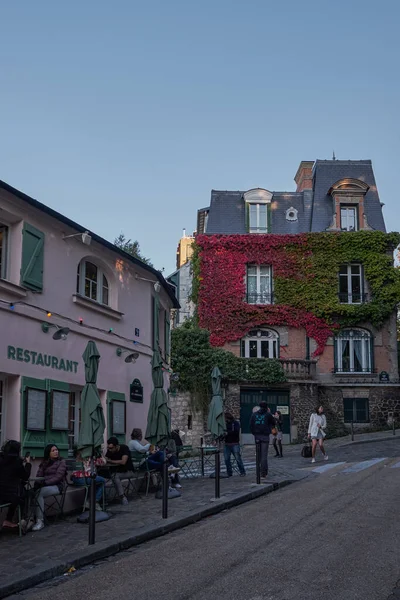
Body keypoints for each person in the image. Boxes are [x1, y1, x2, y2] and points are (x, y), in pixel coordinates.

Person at [32, 444, 67, 531]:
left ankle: (40, 521)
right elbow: (39, 476)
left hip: (58, 486)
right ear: (48, 453)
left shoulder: (61, 462)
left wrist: (45, 483)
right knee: (31, 492)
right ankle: (30, 519)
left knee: (39, 493)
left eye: (56, 450)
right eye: (53, 451)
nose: (56, 452)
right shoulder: (44, 463)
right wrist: (37, 483)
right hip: (45, 486)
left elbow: (58, 477)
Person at [0, 440, 31, 529]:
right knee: (24, 495)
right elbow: (25, 476)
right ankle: (20, 520)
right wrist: (28, 463)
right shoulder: (16, 462)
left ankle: (8, 520)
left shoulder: (1, 459)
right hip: (10, 496)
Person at [250, 401, 276, 479]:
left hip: (257, 436)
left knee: (258, 454)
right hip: (265, 436)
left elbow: (251, 425)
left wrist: (254, 433)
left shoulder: (254, 414)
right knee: (264, 455)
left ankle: (258, 471)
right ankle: (263, 473)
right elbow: (273, 422)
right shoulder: (268, 414)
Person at [105, 437, 135, 505]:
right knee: (100, 476)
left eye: (111, 448)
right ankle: (103, 498)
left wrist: (110, 461)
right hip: (115, 471)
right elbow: (106, 458)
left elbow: (123, 461)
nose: (109, 450)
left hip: (128, 471)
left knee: (115, 476)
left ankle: (122, 497)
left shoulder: (124, 448)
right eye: (108, 448)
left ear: (116, 446)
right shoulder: (110, 450)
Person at [223, 412, 246, 477]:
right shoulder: (225, 424)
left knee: (238, 459)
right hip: (227, 444)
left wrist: (228, 433)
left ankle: (242, 472)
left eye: (225, 418)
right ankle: (229, 472)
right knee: (226, 459)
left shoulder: (235, 423)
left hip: (234, 443)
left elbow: (236, 431)